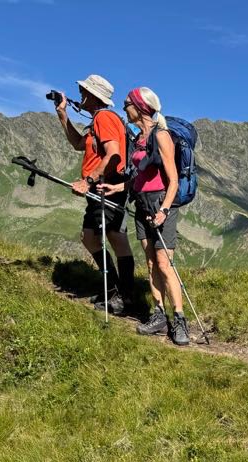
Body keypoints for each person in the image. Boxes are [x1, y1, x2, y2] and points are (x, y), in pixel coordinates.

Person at [100, 87, 188, 346]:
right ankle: (159, 315)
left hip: (161, 204)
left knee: (164, 264)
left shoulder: (161, 136)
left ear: (139, 107)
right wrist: (117, 188)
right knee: (150, 264)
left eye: (127, 103)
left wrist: (163, 211)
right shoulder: (139, 138)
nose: (124, 107)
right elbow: (138, 179)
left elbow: (172, 181)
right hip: (141, 204)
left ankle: (180, 319)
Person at [53, 74, 135, 314]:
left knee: (103, 237)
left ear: (91, 95)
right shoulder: (98, 120)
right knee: (105, 237)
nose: (80, 95)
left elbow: (114, 154)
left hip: (106, 187)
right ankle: (119, 292)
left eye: (83, 91)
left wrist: (88, 181)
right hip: (102, 187)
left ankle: (120, 295)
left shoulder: (105, 118)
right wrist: (62, 115)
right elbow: (79, 143)